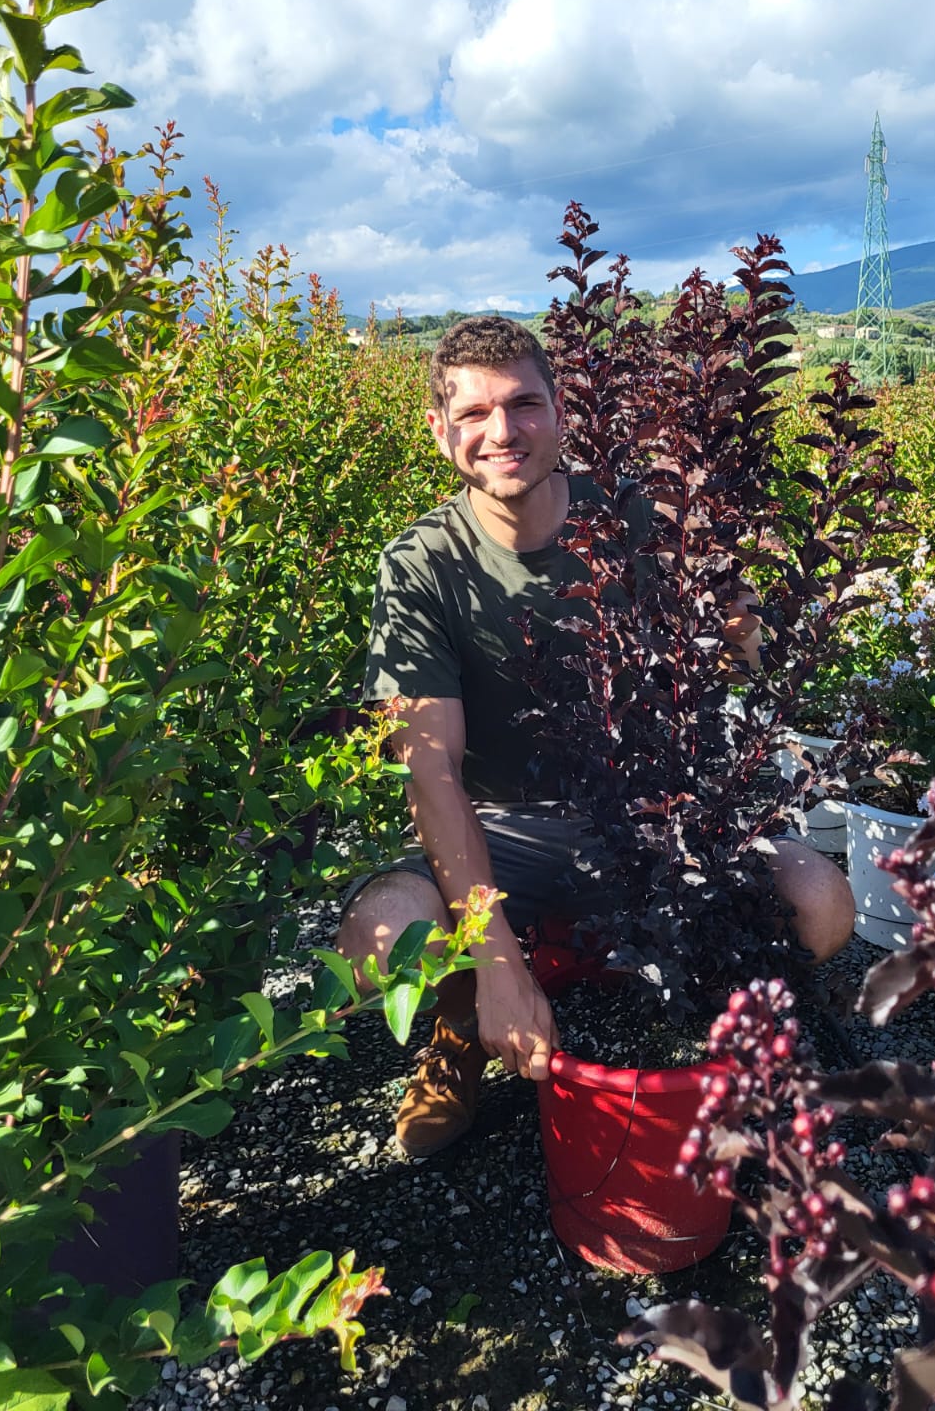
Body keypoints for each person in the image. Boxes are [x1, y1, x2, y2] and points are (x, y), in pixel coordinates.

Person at [337, 316, 855, 1157]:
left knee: (822, 906)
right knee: (381, 943)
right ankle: (463, 1021)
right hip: (501, 826)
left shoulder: (641, 520)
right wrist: (496, 961)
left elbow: (738, 658)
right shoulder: (421, 564)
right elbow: (430, 771)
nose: (501, 432)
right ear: (439, 430)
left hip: (649, 815)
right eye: (472, 414)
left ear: (562, 411)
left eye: (524, 404)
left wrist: (742, 620)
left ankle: (684, 1015)